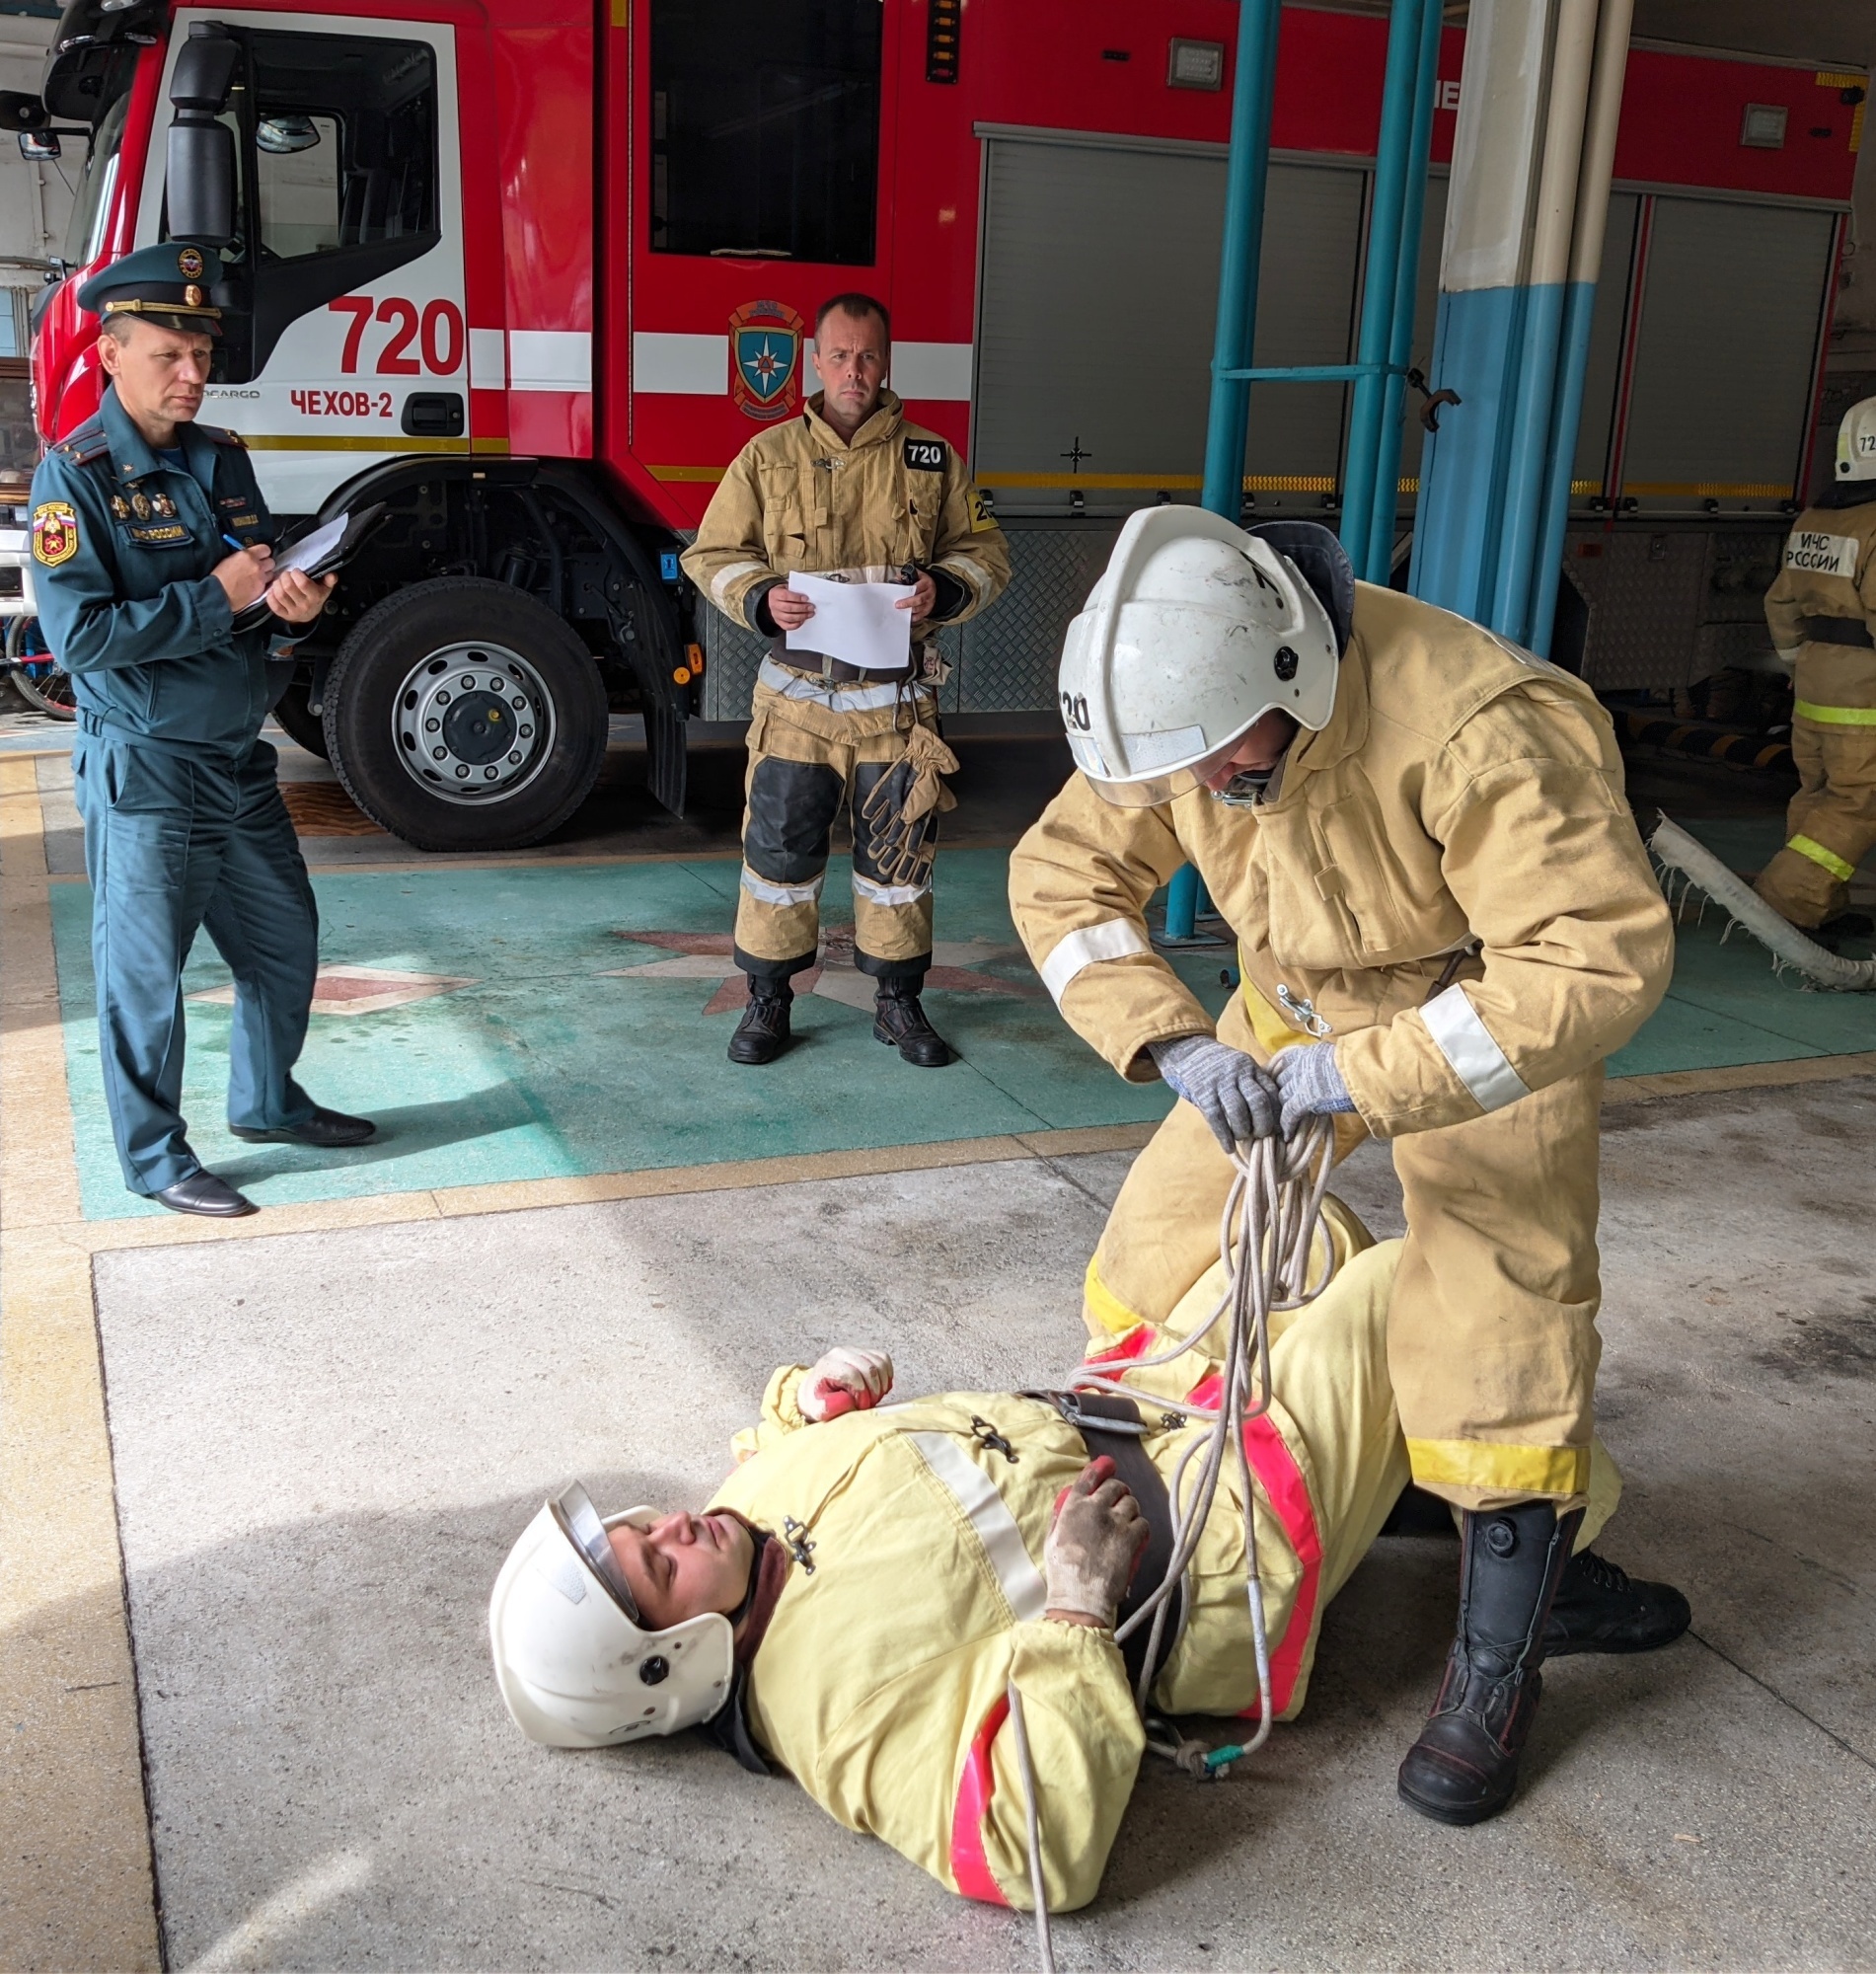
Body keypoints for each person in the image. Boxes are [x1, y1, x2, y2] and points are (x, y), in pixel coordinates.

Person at [1006, 506, 1677, 1825]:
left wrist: (1363, 1073)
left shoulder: (1482, 727)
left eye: (1220, 763)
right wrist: (1170, 1043)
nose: (1199, 787)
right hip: (1285, 1015)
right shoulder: (1178, 706)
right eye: (1176, 773)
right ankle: (1332, 1499)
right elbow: (1063, 883)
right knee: (1155, 1266)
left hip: (1477, 1018)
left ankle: (1505, 1649)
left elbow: (1592, 959)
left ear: (1293, 680)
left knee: (1498, 1327)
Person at [489, 1213, 1688, 1914]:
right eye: (650, 1572)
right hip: (1231, 1534)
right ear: (674, 1664)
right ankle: (1544, 1560)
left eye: (637, 1526)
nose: (666, 1531)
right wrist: (1072, 1610)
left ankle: (1433, 1461)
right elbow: (1024, 1854)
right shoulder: (833, 1706)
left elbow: (775, 1449)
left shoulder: (742, 1514)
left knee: (1301, 1219)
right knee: (1421, 1270)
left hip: (1148, 1406)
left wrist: (810, 1398)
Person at [30, 243, 373, 1219]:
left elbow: (253, 585)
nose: (192, 373)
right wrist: (216, 603)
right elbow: (82, 641)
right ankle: (152, 1156)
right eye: (169, 354)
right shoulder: (76, 479)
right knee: (146, 978)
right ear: (110, 352)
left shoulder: (221, 457)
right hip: (145, 766)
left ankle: (266, 1100)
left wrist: (288, 604)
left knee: (284, 942)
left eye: (201, 352)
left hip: (234, 758)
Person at [681, 293, 1011, 1068]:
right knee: (778, 857)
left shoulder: (931, 458)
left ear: (885, 362)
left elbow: (986, 552)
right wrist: (761, 596)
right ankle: (769, 1001)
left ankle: (897, 1004)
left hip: (896, 707)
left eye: (867, 355)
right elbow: (711, 554)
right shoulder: (765, 457)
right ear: (814, 363)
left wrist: (945, 587)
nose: (853, 370)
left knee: (898, 862)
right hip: (797, 704)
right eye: (838, 354)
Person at [1753, 395, 1876, 948]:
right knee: (1858, 802)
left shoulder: (1816, 519)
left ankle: (1821, 909)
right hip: (1865, 690)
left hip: (1817, 683)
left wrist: (1799, 664)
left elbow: (1781, 604)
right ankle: (1787, 905)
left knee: (1817, 795)